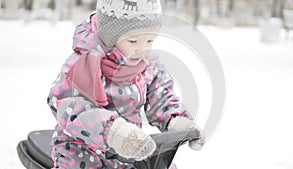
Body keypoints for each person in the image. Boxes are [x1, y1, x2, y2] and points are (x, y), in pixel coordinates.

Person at [47, 0, 204, 168]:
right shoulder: (83, 64)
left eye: (150, 41)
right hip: (80, 152)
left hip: (125, 153)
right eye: (133, 42)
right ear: (109, 37)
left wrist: (176, 121)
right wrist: (113, 131)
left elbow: (161, 96)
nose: (143, 49)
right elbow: (69, 107)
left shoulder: (148, 66)